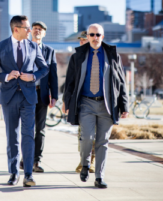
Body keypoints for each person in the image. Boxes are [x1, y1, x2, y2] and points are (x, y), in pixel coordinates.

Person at [0, 15, 48, 187]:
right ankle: (13, 173)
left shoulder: (33, 46)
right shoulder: (1, 46)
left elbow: (44, 68)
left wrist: (33, 76)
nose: (30, 31)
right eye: (27, 28)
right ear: (16, 29)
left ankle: (28, 175)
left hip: (28, 98)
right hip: (9, 97)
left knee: (28, 135)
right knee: (12, 137)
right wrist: (5, 76)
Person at [62, 24, 128, 188]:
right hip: (86, 103)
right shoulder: (78, 56)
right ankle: (85, 164)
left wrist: (124, 104)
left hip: (107, 105)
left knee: (102, 142)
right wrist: (66, 102)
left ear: (102, 36)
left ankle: (99, 177)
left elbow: (120, 81)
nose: (95, 38)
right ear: (88, 37)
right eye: (92, 35)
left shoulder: (112, 55)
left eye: (98, 35)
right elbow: (69, 82)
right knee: (87, 138)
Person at [19, 21, 58, 173]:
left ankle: (36, 161)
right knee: (27, 128)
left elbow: (53, 75)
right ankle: (25, 158)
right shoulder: (23, 47)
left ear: (44, 33)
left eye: (40, 29)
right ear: (30, 31)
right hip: (25, 93)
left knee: (40, 129)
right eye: (35, 29)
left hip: (42, 94)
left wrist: (54, 95)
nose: (37, 31)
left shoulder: (49, 51)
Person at [75, 31, 95, 174]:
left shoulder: (98, 56)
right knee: (82, 134)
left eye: (84, 40)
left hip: (96, 101)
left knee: (94, 135)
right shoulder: (77, 57)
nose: (82, 42)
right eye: (80, 40)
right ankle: (83, 161)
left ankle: (91, 162)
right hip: (81, 102)